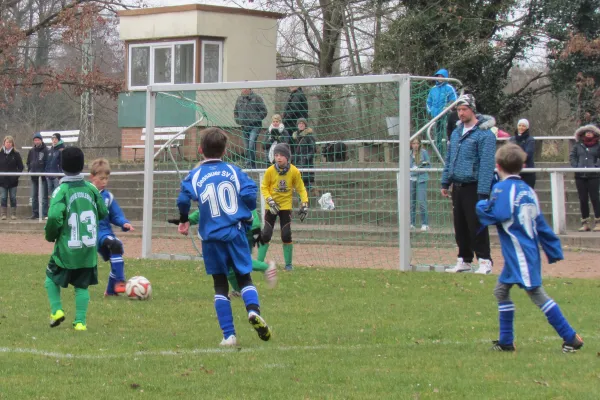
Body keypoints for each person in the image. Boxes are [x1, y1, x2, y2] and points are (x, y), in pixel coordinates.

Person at [476, 143, 584, 353]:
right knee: (501, 291)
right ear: (522, 165)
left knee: (536, 293)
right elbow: (540, 224)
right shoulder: (528, 190)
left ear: (497, 166)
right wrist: (552, 248)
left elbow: (498, 214)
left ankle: (571, 337)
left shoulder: (501, 188)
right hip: (524, 251)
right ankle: (506, 342)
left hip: (520, 253)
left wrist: (480, 206)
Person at [177, 127, 272, 347]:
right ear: (225, 150)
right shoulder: (233, 170)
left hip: (211, 238)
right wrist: (246, 207)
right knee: (244, 277)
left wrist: (183, 218)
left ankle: (229, 335)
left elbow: (183, 198)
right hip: (235, 233)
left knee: (220, 284)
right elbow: (250, 193)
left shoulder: (196, 174)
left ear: (200, 150)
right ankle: (253, 311)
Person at [44, 147, 109, 331]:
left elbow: (55, 216)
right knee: (82, 286)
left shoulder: (61, 190)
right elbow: (104, 212)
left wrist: (50, 235)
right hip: (87, 249)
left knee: (50, 279)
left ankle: (57, 310)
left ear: (61, 166)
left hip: (67, 249)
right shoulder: (91, 189)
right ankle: (80, 322)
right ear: (82, 166)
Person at [441, 94, 496, 274]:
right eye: (458, 110)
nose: (461, 113)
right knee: (460, 225)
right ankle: (464, 259)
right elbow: (450, 159)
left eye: (464, 109)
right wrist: (445, 181)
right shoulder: (456, 133)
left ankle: (484, 260)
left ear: (472, 109)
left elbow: (487, 164)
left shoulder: (484, 134)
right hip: (458, 185)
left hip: (474, 185)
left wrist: (483, 191)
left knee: (476, 224)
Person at [170, 208, 277, 293]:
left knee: (237, 260)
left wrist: (255, 228)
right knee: (229, 265)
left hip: (243, 229)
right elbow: (206, 209)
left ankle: (267, 267)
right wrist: (187, 220)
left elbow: (247, 202)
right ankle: (239, 290)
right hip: (236, 229)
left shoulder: (233, 185)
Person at [257, 143, 309, 271]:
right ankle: (258, 263)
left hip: (285, 207)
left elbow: (301, 188)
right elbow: (264, 187)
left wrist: (305, 203)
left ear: (287, 157)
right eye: (276, 155)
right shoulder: (270, 171)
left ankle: (288, 265)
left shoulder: (294, 171)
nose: (278, 158)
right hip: (272, 206)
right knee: (266, 234)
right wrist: (270, 201)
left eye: (281, 155)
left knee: (286, 234)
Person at [89, 158, 135, 296]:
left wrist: (124, 223)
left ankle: (111, 291)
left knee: (116, 250)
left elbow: (116, 215)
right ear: (92, 177)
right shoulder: (85, 193)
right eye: (101, 178)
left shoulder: (108, 196)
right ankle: (120, 281)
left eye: (106, 179)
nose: (104, 182)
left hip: (105, 232)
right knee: (115, 245)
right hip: (93, 233)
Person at [569, 124, 600, 232]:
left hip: (594, 175)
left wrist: (596, 166)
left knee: (595, 198)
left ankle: (598, 221)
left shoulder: (598, 145)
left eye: (591, 132)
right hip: (580, 176)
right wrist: (576, 166)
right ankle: (585, 223)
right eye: (587, 132)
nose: (589, 133)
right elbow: (572, 156)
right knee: (583, 199)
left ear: (594, 134)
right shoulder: (578, 145)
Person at [233, 88, 268, 169]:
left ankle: (250, 164)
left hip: (255, 126)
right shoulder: (239, 99)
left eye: (244, 89)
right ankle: (250, 164)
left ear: (249, 89)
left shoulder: (257, 98)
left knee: (251, 144)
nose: (242, 90)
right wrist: (239, 121)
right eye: (241, 89)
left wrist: (254, 119)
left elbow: (264, 111)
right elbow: (235, 111)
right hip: (244, 126)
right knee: (247, 146)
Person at [427, 69, 458, 154]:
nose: (440, 78)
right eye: (438, 76)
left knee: (448, 134)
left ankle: (448, 153)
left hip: (446, 116)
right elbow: (428, 102)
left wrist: (447, 109)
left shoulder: (449, 88)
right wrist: (431, 111)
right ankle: (438, 154)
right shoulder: (433, 89)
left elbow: (454, 101)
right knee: (437, 136)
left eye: (442, 76)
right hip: (436, 117)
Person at [291, 118, 318, 197]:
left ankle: (306, 197)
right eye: (299, 123)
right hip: (297, 162)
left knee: (302, 181)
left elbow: (313, 149)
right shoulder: (295, 137)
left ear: (305, 125)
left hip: (306, 163)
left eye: (302, 123)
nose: (301, 125)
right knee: (301, 182)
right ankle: (311, 190)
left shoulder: (309, 136)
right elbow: (294, 149)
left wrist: (306, 158)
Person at [0, 136, 24, 220]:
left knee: (13, 197)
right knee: (3, 197)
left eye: (10, 142)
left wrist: (16, 176)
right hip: (2, 181)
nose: (8, 144)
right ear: (4, 143)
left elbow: (21, 167)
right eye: (7, 142)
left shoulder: (16, 154)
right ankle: (3, 214)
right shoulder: (0, 153)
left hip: (13, 181)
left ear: (12, 144)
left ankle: (13, 214)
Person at [27, 132, 49, 219]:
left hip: (43, 177)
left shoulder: (46, 150)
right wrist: (30, 169)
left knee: (44, 196)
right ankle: (35, 213)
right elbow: (28, 162)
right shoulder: (31, 151)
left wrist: (44, 172)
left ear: (41, 140)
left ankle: (44, 213)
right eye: (35, 140)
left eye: (38, 140)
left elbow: (47, 162)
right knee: (34, 196)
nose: (36, 141)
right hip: (34, 176)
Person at [410, 137, 430, 232]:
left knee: (422, 202)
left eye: (417, 143)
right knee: (411, 202)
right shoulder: (409, 154)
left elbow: (429, 166)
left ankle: (425, 223)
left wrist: (420, 167)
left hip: (421, 179)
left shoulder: (423, 152)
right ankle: (411, 223)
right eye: (413, 143)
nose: (415, 145)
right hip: (411, 179)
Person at [509, 119, 536, 188]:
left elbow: (528, 154)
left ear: (527, 128)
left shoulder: (530, 140)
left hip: (527, 172)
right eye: (519, 125)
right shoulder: (512, 139)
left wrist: (519, 161)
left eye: (523, 126)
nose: (521, 127)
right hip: (514, 170)